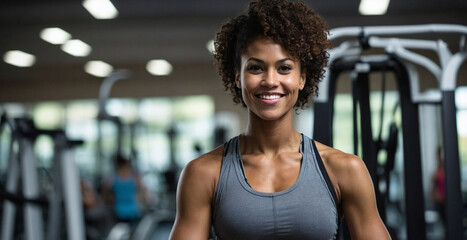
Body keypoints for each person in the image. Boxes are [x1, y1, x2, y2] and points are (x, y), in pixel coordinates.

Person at [169, 0, 391, 239]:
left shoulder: (345, 169)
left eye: (284, 68)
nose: (270, 81)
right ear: (237, 78)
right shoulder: (203, 173)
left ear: (302, 78)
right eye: (256, 68)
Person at [102, 155, 149, 228]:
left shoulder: (112, 178)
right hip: (128, 210)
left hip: (122, 211)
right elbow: (143, 193)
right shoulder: (135, 178)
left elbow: (106, 197)